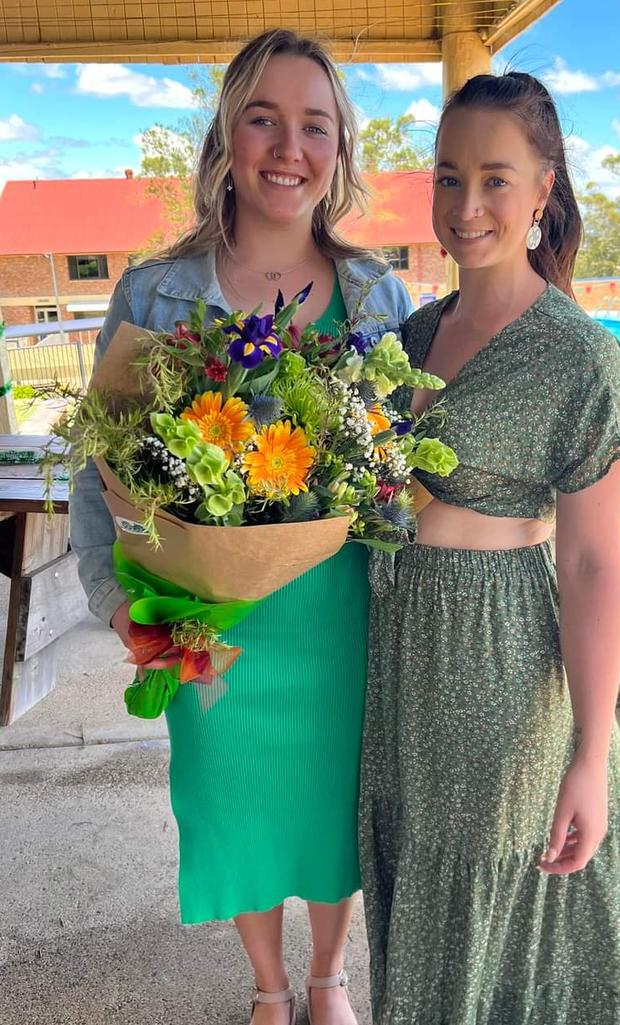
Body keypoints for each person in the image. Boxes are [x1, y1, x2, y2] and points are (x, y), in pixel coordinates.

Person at [359, 72, 620, 1024]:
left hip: (503, 661)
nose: (466, 205)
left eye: (495, 179)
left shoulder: (578, 354)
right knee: (427, 878)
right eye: (447, 177)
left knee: (514, 893)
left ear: (545, 188)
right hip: (406, 659)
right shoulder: (412, 334)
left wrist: (592, 756)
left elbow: (597, 563)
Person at [70, 29, 411, 1025]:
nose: (287, 145)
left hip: (340, 612)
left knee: (329, 797)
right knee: (233, 792)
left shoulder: (381, 296)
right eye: (263, 116)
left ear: (340, 148)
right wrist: (124, 604)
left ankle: (327, 977)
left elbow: (402, 473)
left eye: (314, 124)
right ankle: (269, 985)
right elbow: (102, 469)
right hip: (205, 614)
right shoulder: (155, 291)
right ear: (228, 133)